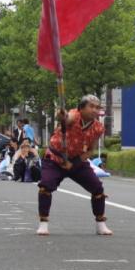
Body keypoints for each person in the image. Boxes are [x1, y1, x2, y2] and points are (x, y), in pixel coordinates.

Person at [36, 95, 112, 236]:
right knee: (46, 185)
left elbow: (90, 150)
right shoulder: (74, 115)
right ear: (81, 108)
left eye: (97, 107)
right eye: (91, 106)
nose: (94, 110)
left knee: (97, 188)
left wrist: (75, 163)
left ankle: (100, 224)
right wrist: (62, 116)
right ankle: (43, 223)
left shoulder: (98, 128)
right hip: (55, 159)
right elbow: (66, 118)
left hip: (77, 161)